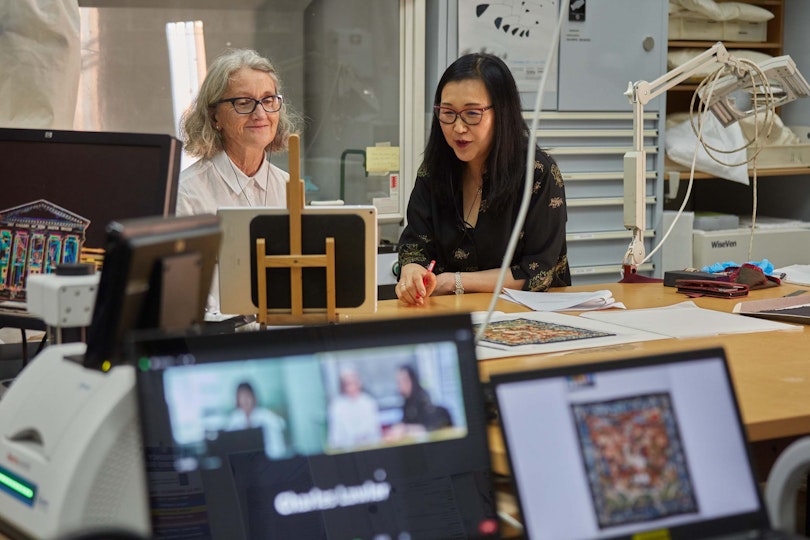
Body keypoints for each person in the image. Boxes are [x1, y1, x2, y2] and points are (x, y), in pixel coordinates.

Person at [396, 53, 571, 305]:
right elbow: (416, 242)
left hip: (527, 317)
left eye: (472, 113)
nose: (458, 127)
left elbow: (539, 272)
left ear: (501, 113)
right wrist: (412, 269)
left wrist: (453, 282)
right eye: (448, 112)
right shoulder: (435, 170)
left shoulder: (537, 172)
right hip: (451, 314)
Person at [175, 48, 299, 217]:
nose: (260, 114)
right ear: (214, 116)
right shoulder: (186, 194)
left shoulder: (290, 187)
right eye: (243, 103)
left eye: (268, 100)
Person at [386, 365, 451, 441]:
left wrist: (406, 429)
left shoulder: (423, 399)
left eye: (400, 382)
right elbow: (405, 422)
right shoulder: (407, 404)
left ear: (410, 381)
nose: (399, 386)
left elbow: (430, 427)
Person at [326, 365, 382, 450]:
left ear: (359, 383)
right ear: (343, 386)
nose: (351, 387)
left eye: (353, 382)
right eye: (347, 384)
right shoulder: (336, 406)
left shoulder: (369, 402)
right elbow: (335, 437)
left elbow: (375, 432)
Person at [227, 381, 287, 459]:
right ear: (237, 399)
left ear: (254, 397)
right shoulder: (234, 418)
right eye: (241, 396)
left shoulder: (265, 414)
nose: (245, 400)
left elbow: (280, 425)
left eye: (247, 396)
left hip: (269, 458)